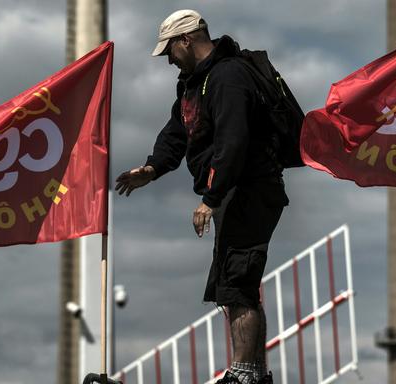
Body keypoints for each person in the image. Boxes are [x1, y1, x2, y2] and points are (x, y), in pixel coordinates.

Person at [115, 9, 288, 384]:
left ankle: (245, 374)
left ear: (186, 40)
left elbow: (233, 141)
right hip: (234, 192)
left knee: (236, 283)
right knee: (234, 283)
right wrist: (152, 168)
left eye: (169, 51)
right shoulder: (195, 84)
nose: (167, 60)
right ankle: (253, 374)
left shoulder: (228, 77)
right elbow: (177, 131)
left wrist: (210, 198)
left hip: (249, 188)